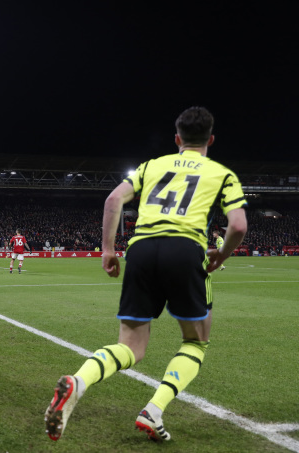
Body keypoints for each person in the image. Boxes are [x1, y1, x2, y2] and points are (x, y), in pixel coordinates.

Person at [44, 106, 248, 443]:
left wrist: (108, 250)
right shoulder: (222, 173)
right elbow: (238, 225)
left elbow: (113, 200)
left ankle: (77, 382)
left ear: (177, 139)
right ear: (210, 139)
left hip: (140, 250)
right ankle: (153, 410)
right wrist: (221, 254)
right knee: (196, 342)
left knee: (130, 347)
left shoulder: (151, 166)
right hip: (186, 249)